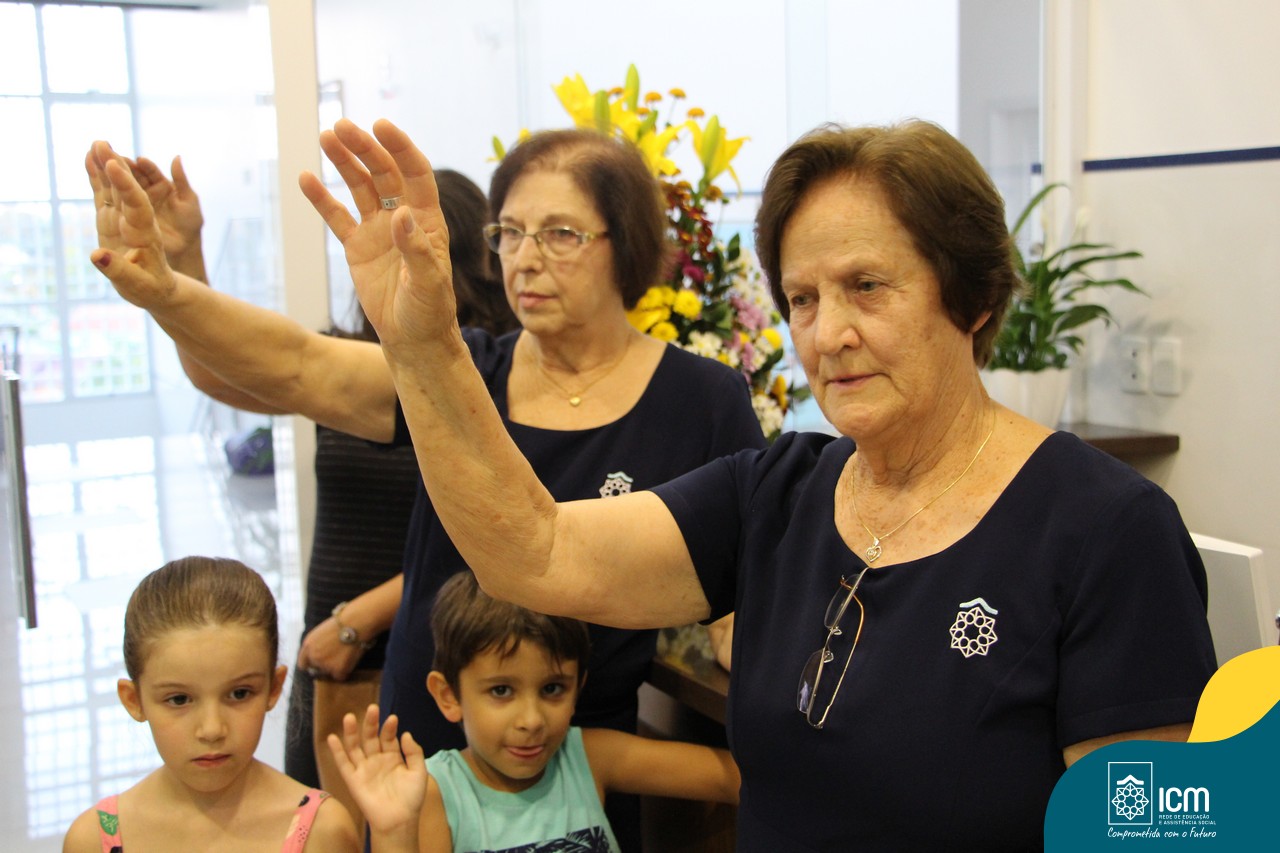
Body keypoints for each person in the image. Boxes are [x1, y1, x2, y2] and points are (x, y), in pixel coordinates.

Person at [280, 117, 1218, 850]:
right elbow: (533, 552)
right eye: (803, 298)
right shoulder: (779, 492)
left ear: (971, 297)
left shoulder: (1105, 529)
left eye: (867, 286)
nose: (828, 335)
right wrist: (425, 345)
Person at [85, 122, 765, 850]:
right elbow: (296, 364)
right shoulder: (457, 368)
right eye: (510, 233)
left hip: (570, 758)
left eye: (560, 234)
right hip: (424, 742)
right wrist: (168, 292)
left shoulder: (701, 399)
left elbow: (743, 580)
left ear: (624, 245)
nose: (526, 259)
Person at [86, 152, 517, 838]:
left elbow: (494, 534)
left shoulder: (488, 380)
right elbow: (223, 372)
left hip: (428, 640)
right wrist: (180, 263)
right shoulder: (350, 356)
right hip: (332, 636)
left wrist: (362, 620)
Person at [327, 571, 740, 853]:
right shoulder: (434, 794)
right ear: (449, 695)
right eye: (501, 691)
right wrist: (394, 833)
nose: (531, 720)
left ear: (578, 687)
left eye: (552, 689)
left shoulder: (590, 757)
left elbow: (735, 778)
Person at [61, 556, 360, 853]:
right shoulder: (92, 840)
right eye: (179, 699)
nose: (212, 730)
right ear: (133, 700)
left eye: (239, 694)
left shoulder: (323, 830)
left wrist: (387, 835)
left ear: (274, 688)